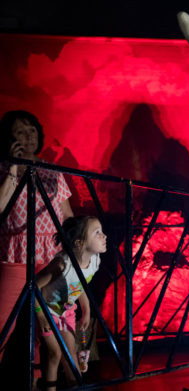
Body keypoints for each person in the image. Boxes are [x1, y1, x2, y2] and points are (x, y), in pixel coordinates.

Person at [0, 110, 74, 343]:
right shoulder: (2, 168)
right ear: (9, 139)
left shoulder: (52, 170)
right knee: (4, 324)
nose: (29, 136)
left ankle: (40, 379)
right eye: (20, 132)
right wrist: (13, 168)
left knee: (49, 327)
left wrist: (73, 253)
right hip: (16, 255)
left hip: (51, 256)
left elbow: (67, 214)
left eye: (32, 130)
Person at [36, 215, 106, 391]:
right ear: (79, 243)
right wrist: (41, 315)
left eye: (102, 231)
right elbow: (33, 286)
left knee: (71, 357)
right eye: (97, 233)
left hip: (66, 312)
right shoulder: (62, 265)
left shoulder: (95, 261)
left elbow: (80, 284)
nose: (104, 236)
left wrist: (86, 308)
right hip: (46, 310)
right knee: (55, 354)